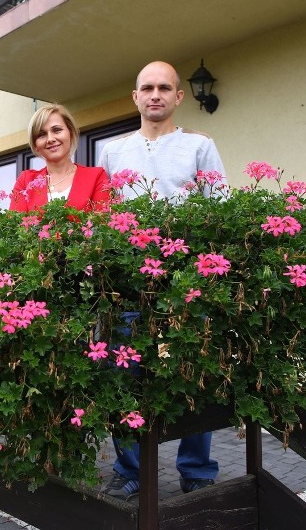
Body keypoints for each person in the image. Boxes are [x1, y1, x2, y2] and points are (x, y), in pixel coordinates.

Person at [97, 60, 227, 501]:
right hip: (130, 285)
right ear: (135, 97)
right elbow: (106, 217)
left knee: (189, 369)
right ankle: (130, 468)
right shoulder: (112, 152)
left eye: (163, 88)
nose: (155, 94)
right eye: (147, 88)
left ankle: (197, 469)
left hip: (185, 284)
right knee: (126, 372)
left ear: (178, 96)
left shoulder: (200, 146)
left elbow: (219, 212)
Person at [10, 104, 110, 212]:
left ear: (70, 133)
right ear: (35, 145)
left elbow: (102, 223)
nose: (50, 139)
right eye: (41, 134)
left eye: (57, 130)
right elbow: (15, 225)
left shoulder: (96, 177)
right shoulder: (26, 181)